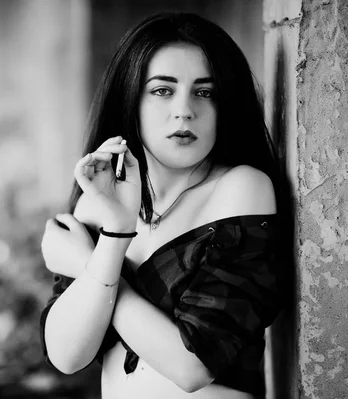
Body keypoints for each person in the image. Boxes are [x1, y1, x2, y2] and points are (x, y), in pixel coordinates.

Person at [39, 12, 290, 399]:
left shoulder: (240, 189)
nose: (185, 110)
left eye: (205, 92)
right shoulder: (101, 202)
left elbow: (192, 366)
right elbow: (68, 356)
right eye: (162, 90)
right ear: (131, 98)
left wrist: (82, 264)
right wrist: (115, 233)